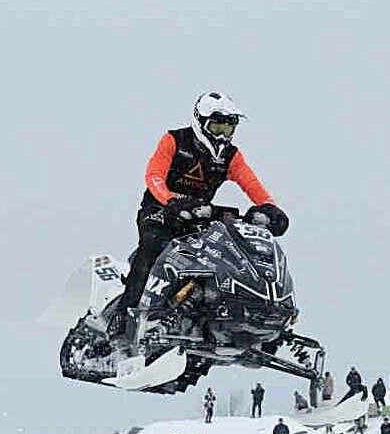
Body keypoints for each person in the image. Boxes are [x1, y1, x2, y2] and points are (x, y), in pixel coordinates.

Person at [115, 91, 287, 332]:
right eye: (216, 126)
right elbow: (154, 175)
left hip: (198, 217)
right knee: (152, 248)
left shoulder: (231, 156)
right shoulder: (175, 140)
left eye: (228, 128)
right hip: (160, 211)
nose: (222, 135)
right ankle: (123, 318)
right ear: (200, 121)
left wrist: (271, 208)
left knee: (223, 257)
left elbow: (252, 185)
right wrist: (171, 201)